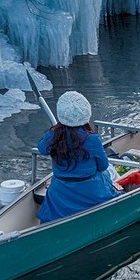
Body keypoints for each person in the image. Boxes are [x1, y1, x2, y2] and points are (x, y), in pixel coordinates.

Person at [36, 91, 120, 223]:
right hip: (90, 191)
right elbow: (103, 165)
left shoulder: (53, 136)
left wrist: (52, 132)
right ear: (86, 114)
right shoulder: (92, 139)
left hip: (61, 192)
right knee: (109, 174)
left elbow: (42, 149)